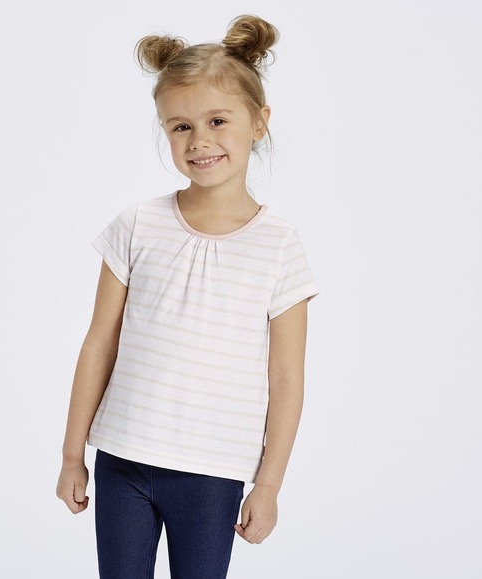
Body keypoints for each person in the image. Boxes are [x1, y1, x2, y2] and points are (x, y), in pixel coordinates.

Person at [56, 14, 319, 579]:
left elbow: (286, 377)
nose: (199, 140)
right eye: (180, 126)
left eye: (217, 120)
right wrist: (72, 453)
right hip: (122, 460)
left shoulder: (279, 245)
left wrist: (269, 485)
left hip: (212, 472)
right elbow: (99, 342)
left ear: (259, 122)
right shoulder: (137, 224)